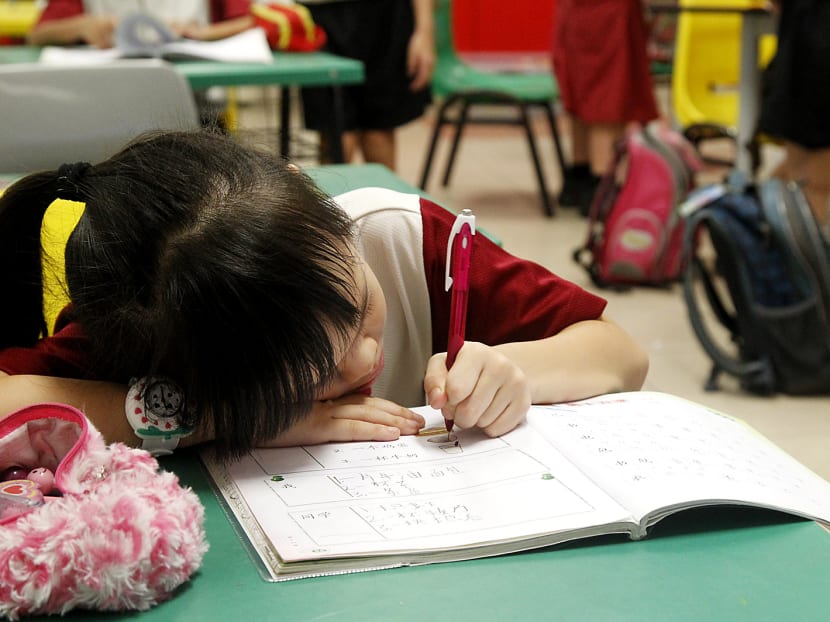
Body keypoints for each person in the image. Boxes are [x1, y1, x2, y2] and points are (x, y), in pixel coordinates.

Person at [0, 130, 649, 460]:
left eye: (362, 309)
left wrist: (514, 373)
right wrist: (230, 422)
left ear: (313, 198)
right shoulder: (159, 311)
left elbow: (621, 353)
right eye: (313, 376)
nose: (366, 363)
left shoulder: (402, 238)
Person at [26, 0, 254, 128]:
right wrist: (82, 26)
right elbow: (38, 34)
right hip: (107, 109)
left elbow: (251, 19)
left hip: (198, 107)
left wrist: (203, 32)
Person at [297, 0, 435, 170]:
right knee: (338, 138)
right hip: (319, 15)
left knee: (378, 132)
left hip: (384, 17)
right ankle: (331, 195)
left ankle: (385, 195)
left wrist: (425, 31)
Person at [551, 0, 659, 215]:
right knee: (608, 96)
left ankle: (578, 179)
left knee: (584, 92)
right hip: (608, 13)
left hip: (576, 11)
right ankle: (599, 192)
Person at [758, 0, 830, 235]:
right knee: (809, 179)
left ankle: (757, 236)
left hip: (808, 47)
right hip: (809, 54)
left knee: (805, 177)